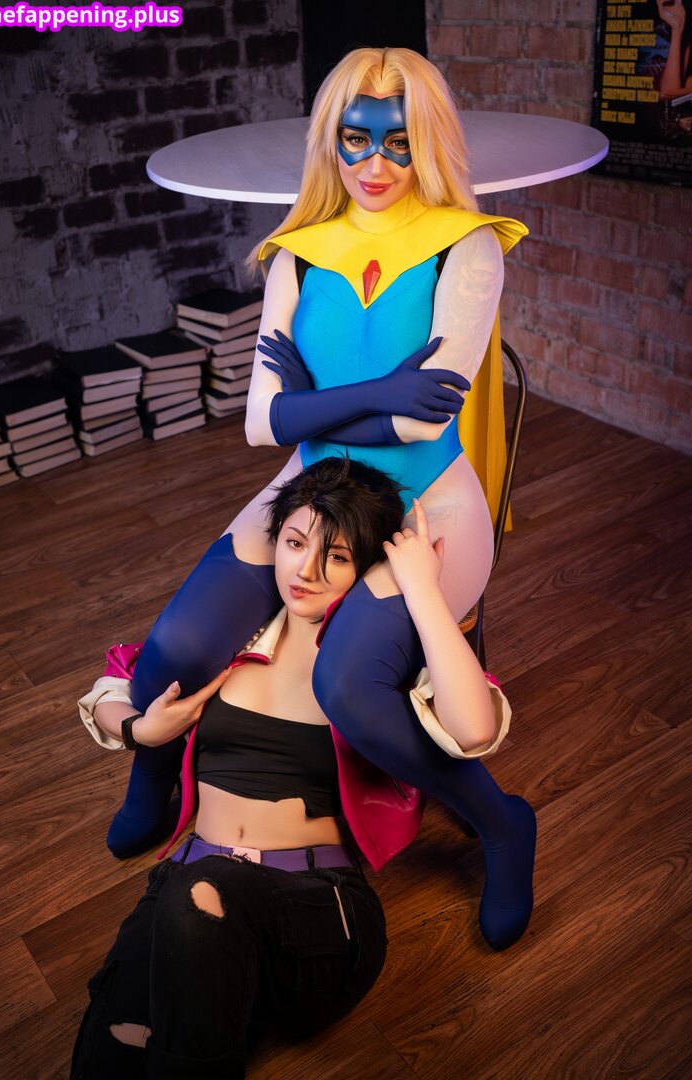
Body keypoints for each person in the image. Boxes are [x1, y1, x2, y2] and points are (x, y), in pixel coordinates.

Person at [109, 46, 536, 952]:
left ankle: (503, 824)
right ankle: (153, 769)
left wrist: (321, 402)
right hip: (306, 492)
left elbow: (421, 426)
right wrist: (381, 390)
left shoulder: (467, 248)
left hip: (424, 505)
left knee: (351, 687)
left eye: (399, 142)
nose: (375, 164)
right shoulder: (298, 256)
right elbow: (263, 422)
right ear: (330, 142)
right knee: (175, 647)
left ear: (429, 143)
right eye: (355, 140)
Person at [71, 458, 508, 1079]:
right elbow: (114, 686)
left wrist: (421, 589)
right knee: (113, 1045)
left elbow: (474, 727)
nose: (305, 571)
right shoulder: (235, 635)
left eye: (336, 557)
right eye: (296, 543)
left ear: (365, 570)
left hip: (315, 906)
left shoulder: (371, 669)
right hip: (189, 891)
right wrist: (142, 731)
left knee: (200, 902)